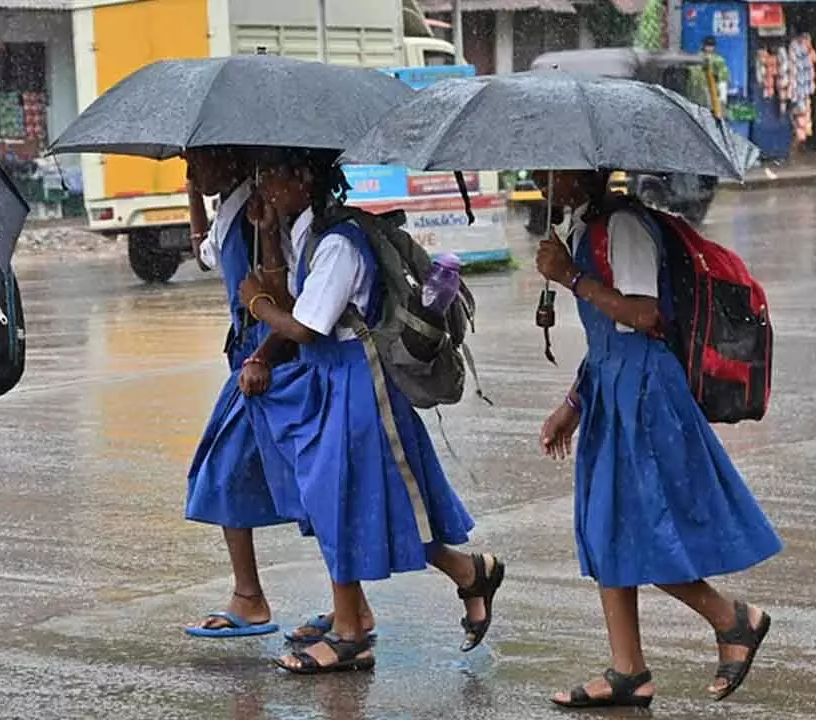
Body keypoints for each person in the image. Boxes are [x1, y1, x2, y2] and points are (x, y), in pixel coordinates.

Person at [237, 149, 505, 674]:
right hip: (328, 376)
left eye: (272, 175)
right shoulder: (307, 233)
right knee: (359, 503)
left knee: (341, 501)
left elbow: (306, 325)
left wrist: (255, 304)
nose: (263, 185)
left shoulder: (339, 243)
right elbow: (293, 299)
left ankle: (351, 634)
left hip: (358, 381)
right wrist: (267, 235)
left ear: (305, 178)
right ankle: (469, 573)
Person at [533, 170, 783, 708]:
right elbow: (605, 338)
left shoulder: (624, 226)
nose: (539, 176)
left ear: (589, 171)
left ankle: (733, 619)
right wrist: (572, 405)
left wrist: (571, 277)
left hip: (645, 396)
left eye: (553, 169)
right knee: (604, 530)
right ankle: (629, 671)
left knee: (636, 528)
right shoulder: (584, 227)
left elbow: (644, 315)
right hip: (610, 389)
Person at [184, 146, 298, 638]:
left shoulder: (257, 211)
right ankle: (254, 595)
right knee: (293, 481)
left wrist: (263, 357)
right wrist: (193, 196)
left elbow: (287, 297)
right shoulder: (230, 208)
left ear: (229, 157)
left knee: (230, 472)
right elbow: (204, 254)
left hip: (268, 362)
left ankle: (252, 597)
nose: (190, 172)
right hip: (249, 361)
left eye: (197, 161)